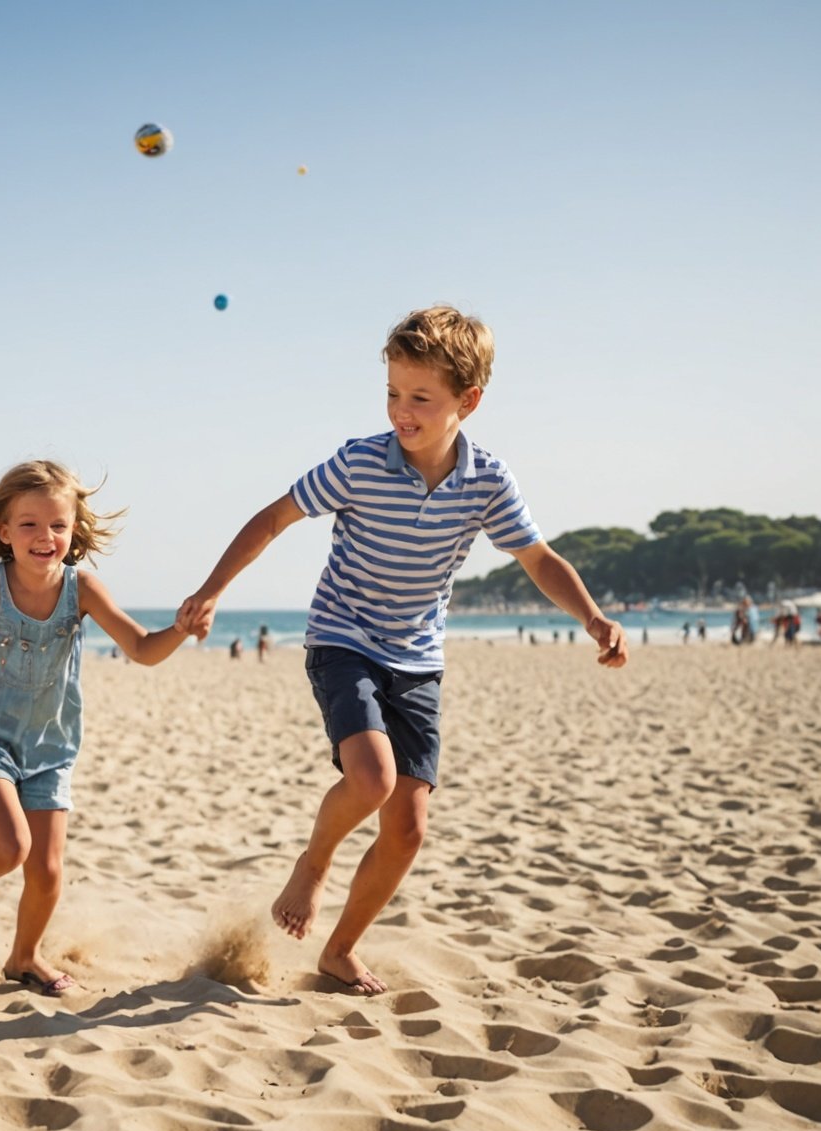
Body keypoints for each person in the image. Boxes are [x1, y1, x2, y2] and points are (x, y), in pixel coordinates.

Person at [178, 305, 626, 996]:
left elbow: (537, 558)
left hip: (417, 657)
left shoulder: (486, 481)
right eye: (392, 393)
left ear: (467, 402)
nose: (401, 411)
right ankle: (315, 862)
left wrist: (593, 617)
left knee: (409, 827)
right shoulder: (359, 462)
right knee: (372, 778)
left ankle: (340, 949)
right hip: (343, 636)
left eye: (420, 397)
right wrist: (211, 590)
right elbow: (273, 518)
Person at [0, 461, 197, 996]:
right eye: (30, 524)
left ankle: (24, 957)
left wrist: (179, 628)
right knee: (10, 847)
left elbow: (142, 650)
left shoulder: (82, 592)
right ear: (4, 532)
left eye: (58, 525)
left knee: (48, 870)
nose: (45, 537)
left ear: (74, 532)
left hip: (50, 748)